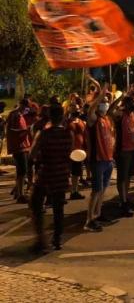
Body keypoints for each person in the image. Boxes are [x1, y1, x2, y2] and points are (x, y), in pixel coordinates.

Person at [29, 104, 73, 252]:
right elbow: (70, 153)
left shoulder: (43, 134)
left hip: (46, 173)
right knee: (58, 209)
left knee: (35, 204)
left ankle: (41, 240)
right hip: (61, 174)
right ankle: (57, 239)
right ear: (62, 117)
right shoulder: (68, 134)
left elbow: (32, 154)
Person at [84, 81, 115, 232]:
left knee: (102, 190)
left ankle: (98, 214)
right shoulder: (93, 119)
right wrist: (100, 95)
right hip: (97, 160)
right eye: (103, 102)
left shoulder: (106, 119)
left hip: (108, 160)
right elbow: (91, 109)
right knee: (96, 190)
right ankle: (89, 220)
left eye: (107, 102)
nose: (105, 104)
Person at [112, 95, 134, 217]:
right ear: (126, 104)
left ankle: (125, 198)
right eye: (133, 102)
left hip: (132, 149)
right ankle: (122, 202)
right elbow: (109, 112)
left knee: (128, 176)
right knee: (122, 177)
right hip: (122, 150)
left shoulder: (132, 114)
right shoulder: (120, 114)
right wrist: (118, 99)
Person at [7, 98, 32, 203]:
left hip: (23, 146)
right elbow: (11, 130)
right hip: (18, 147)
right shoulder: (15, 115)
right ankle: (20, 194)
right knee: (22, 171)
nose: (27, 109)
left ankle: (18, 191)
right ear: (21, 105)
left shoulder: (21, 115)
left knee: (22, 171)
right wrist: (26, 130)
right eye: (26, 106)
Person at [66, 103, 86, 200]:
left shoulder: (81, 121)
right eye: (74, 108)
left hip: (79, 151)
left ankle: (75, 191)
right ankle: (70, 191)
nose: (77, 110)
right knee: (69, 172)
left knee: (77, 172)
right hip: (70, 151)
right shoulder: (67, 122)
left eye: (78, 108)